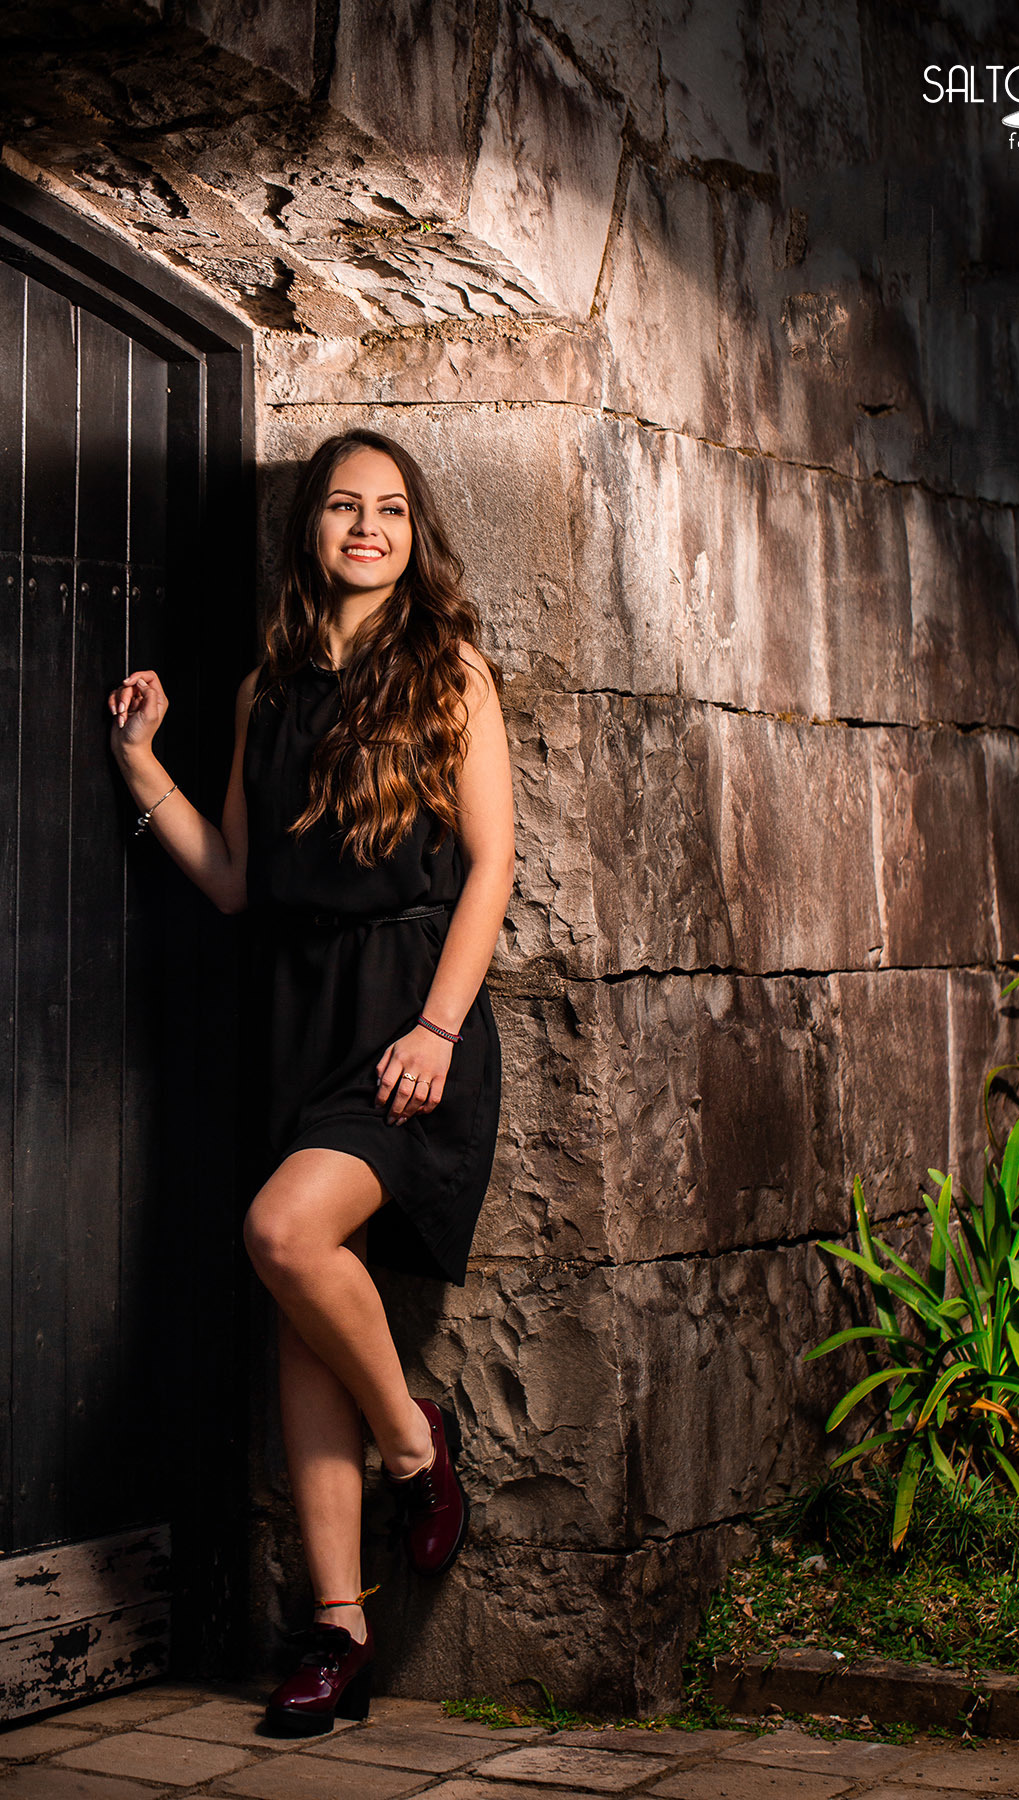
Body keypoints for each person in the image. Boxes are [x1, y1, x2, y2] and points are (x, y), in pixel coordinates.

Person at [107, 428, 514, 1735]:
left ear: (414, 533)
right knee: (298, 1310)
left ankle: (413, 1445)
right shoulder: (264, 691)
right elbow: (235, 880)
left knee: (282, 1234)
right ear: (313, 531)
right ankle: (337, 1629)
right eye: (344, 505)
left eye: (390, 508)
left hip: (405, 1018)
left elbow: (492, 866)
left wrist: (439, 1027)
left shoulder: (450, 669)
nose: (367, 526)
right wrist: (143, 765)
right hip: (291, 1015)